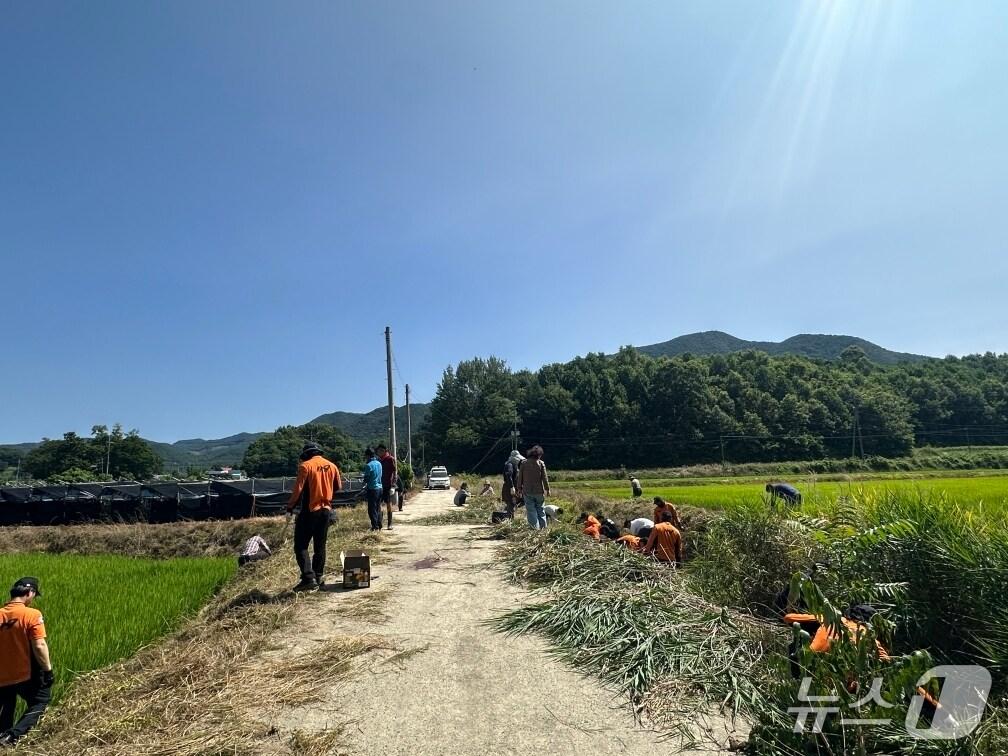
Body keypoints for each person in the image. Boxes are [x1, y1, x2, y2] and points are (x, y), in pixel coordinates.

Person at [0, 578, 54, 747]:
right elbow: (39, 645)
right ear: (29, 593)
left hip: (2, 675)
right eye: (34, 595)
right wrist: (48, 670)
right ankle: (12, 736)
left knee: (7, 706)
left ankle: (2, 737)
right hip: (25, 673)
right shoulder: (32, 614)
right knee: (41, 701)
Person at [286, 443, 343, 592]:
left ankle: (308, 578)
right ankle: (318, 576)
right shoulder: (332, 466)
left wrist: (290, 507)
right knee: (320, 546)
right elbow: (338, 486)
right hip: (326, 510)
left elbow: (298, 490)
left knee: (301, 546)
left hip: (309, 510)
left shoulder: (305, 466)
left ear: (306, 454)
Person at [516, 445, 550, 529]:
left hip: (527, 491)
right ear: (539, 455)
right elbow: (545, 478)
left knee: (531, 511)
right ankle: (543, 529)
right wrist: (547, 489)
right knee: (541, 510)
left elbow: (520, 477)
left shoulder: (524, 463)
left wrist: (519, 488)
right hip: (539, 491)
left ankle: (535, 529)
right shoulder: (541, 463)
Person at [376, 444, 397, 531]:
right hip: (379, 485)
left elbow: (395, 472)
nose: (379, 452)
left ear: (385, 451)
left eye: (381, 451)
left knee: (388, 504)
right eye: (378, 451)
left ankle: (390, 523)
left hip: (388, 485)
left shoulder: (390, 459)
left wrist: (393, 484)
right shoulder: (378, 460)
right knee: (378, 505)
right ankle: (379, 523)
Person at [362, 448, 384, 533]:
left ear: (367, 455)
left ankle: (375, 526)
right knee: (378, 507)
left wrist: (364, 482)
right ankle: (379, 524)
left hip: (373, 489)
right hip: (380, 488)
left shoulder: (369, 465)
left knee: (372, 509)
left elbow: (366, 479)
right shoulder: (379, 463)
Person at [502, 450, 524, 517]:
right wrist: (512, 487)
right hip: (509, 487)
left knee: (518, 501)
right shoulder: (509, 465)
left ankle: (509, 515)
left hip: (514, 487)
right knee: (511, 502)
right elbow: (509, 476)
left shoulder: (514, 466)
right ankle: (509, 518)